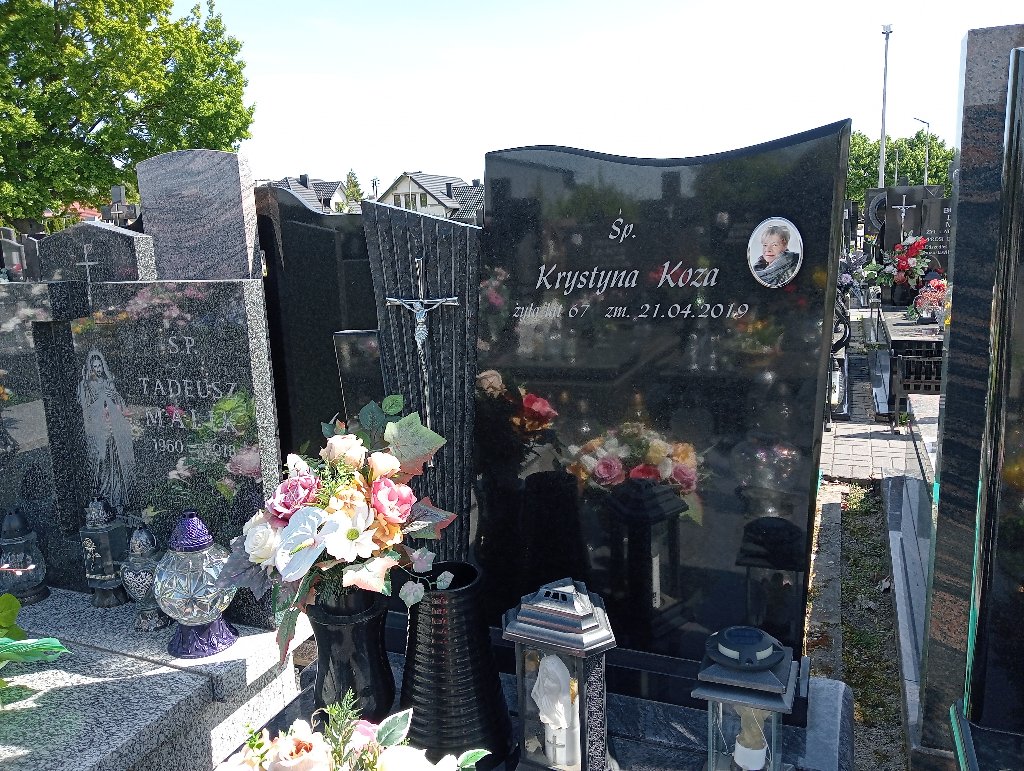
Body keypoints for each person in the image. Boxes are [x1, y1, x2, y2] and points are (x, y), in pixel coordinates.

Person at [78, 349, 137, 512]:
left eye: (100, 366)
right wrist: (101, 402)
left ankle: (118, 498)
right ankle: (106, 497)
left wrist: (113, 397)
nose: (98, 369)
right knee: (104, 466)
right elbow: (86, 409)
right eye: (95, 366)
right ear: (91, 368)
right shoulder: (86, 385)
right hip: (100, 431)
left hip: (113, 430)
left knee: (116, 465)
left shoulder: (108, 382)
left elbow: (119, 402)